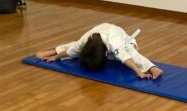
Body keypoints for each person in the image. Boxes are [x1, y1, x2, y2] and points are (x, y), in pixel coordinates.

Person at [35, 23, 163, 79]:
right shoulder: (86, 40)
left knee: (132, 53)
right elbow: (71, 52)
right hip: (101, 40)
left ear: (106, 54)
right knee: (76, 46)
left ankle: (153, 68)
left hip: (124, 41)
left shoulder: (115, 42)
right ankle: (53, 51)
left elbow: (125, 58)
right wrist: (55, 57)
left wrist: (139, 72)